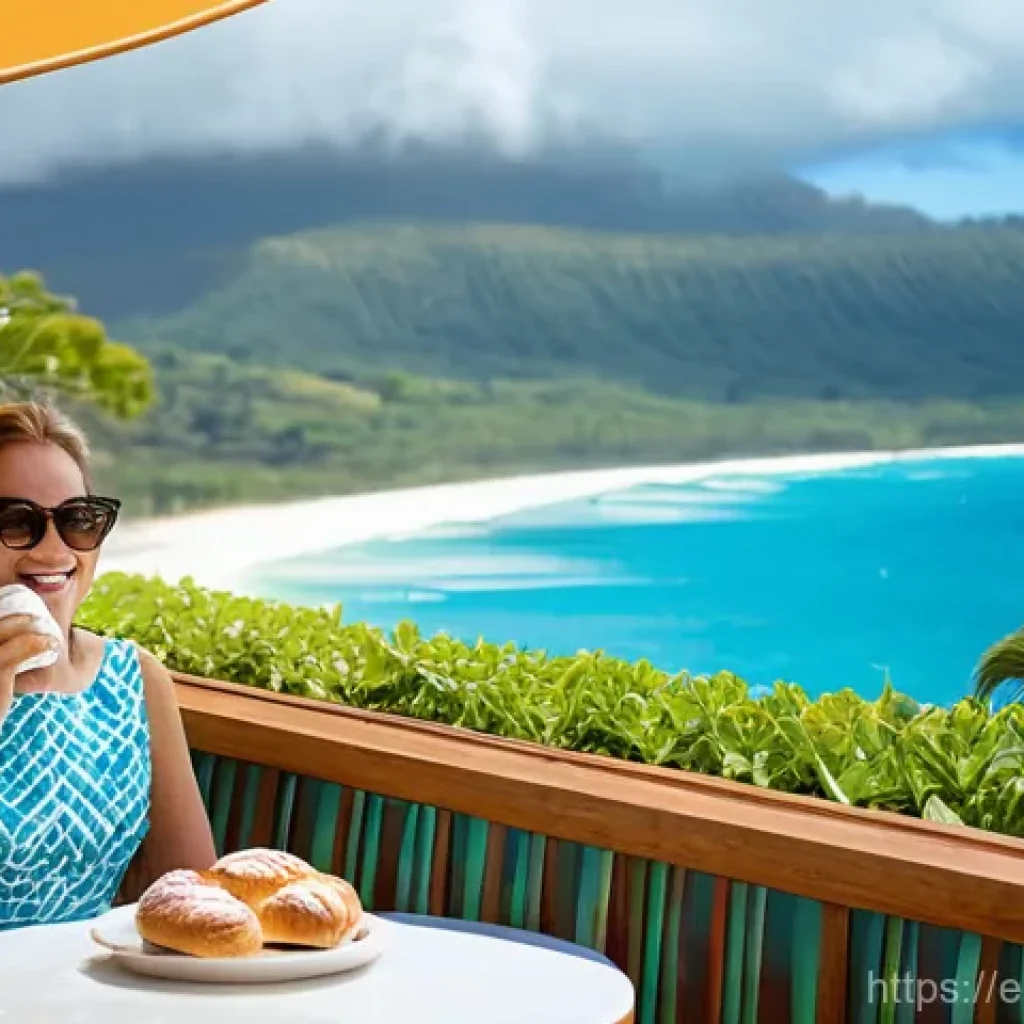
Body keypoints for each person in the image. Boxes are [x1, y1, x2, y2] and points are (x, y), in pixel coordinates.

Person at [0, 400, 215, 930]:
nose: (55, 551)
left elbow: (193, 892)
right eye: (14, 520)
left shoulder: (133, 680)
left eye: (77, 519)